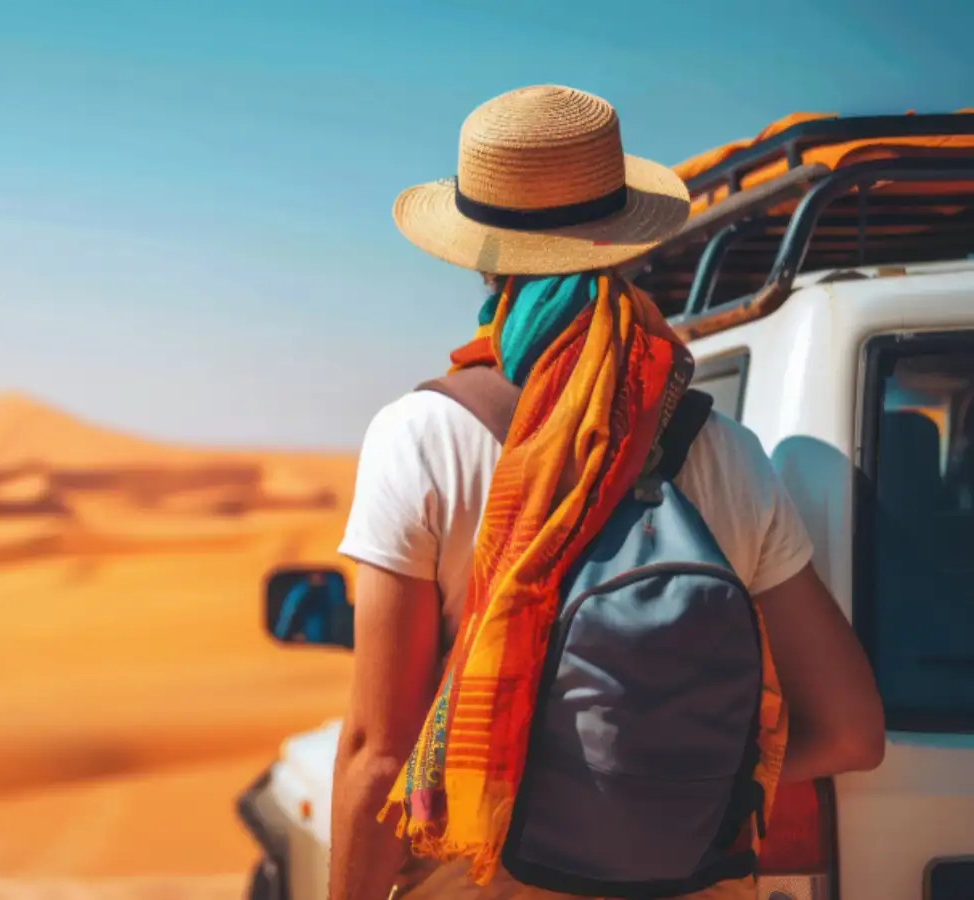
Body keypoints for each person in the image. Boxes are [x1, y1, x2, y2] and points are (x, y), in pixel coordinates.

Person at [329, 85, 886, 900]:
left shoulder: (422, 439)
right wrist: (675, 771)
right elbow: (850, 733)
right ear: (625, 244)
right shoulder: (725, 450)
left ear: (483, 260)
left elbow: (379, 756)